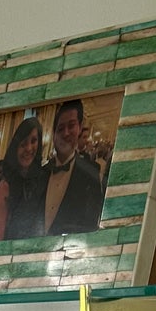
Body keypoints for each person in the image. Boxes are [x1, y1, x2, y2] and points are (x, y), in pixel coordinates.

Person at [44, 99, 105, 234]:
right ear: (54, 135)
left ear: (79, 127)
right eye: (60, 128)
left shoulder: (91, 173)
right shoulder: (40, 173)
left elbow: (90, 225)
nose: (65, 133)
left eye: (71, 126)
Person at [0, 116, 48, 242]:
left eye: (34, 141)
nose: (29, 148)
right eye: (23, 143)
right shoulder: (5, 184)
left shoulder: (44, 177)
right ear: (16, 146)